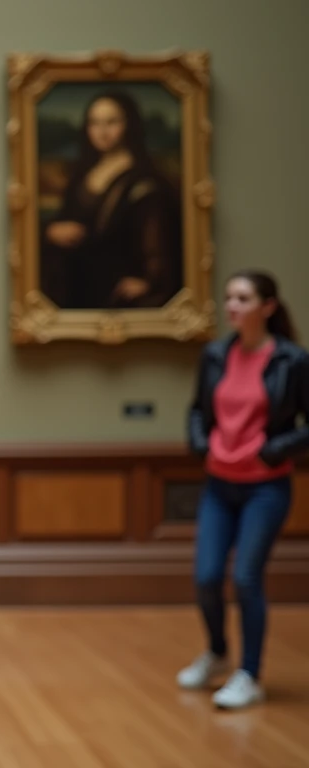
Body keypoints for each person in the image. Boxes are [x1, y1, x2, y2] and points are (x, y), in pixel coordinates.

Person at [180, 269, 308, 709]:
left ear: (267, 307)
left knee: (246, 579)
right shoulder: (215, 355)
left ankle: (249, 674)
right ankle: (217, 652)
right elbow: (198, 411)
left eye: (243, 298)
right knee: (206, 578)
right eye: (229, 297)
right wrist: (200, 443)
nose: (232, 306)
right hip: (219, 484)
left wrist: (274, 450)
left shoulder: (291, 361)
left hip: (265, 489)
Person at [41, 91, 182, 310]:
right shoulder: (84, 173)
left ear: (129, 125)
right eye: (95, 123)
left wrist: (149, 280)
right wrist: (52, 231)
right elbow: (66, 218)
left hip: (117, 287)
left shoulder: (143, 180)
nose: (102, 132)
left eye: (111, 122)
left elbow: (158, 241)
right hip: (80, 284)